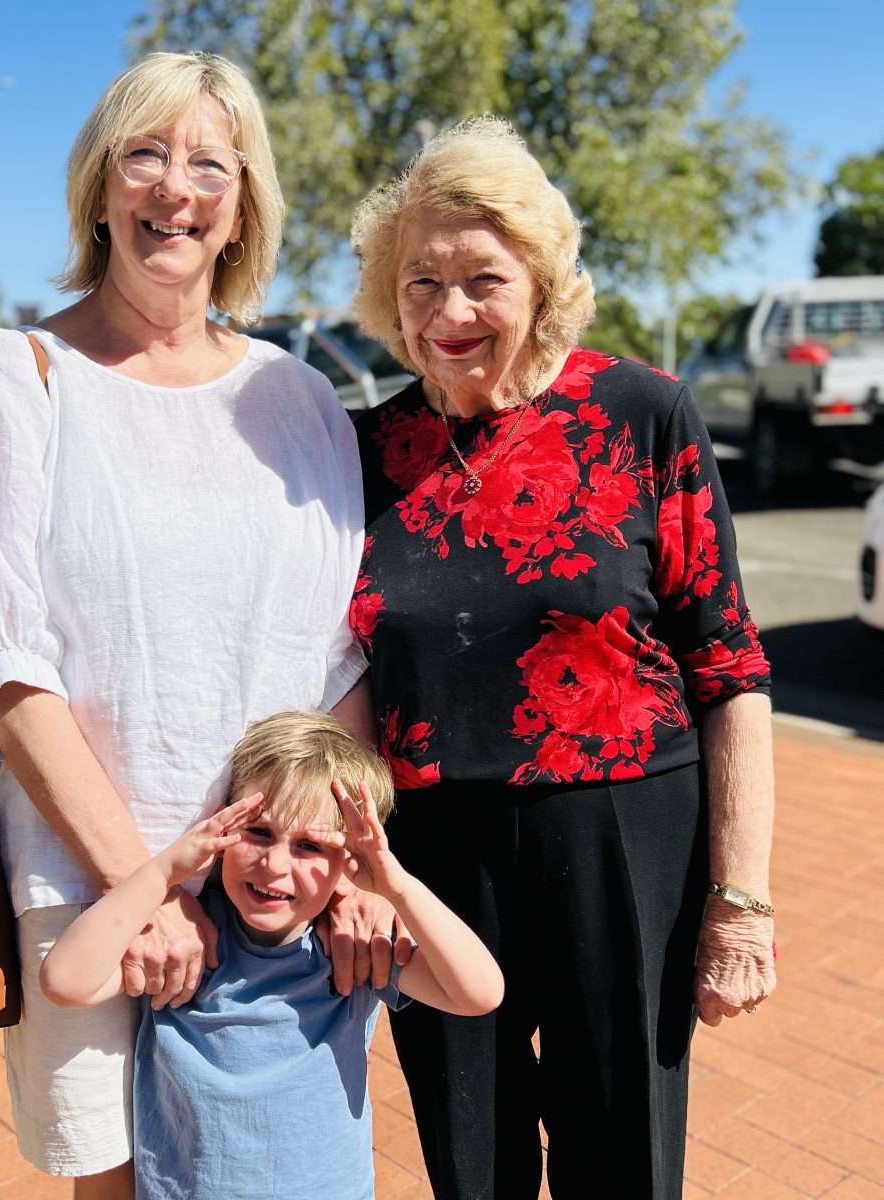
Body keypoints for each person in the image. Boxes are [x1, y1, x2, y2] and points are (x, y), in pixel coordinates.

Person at [0, 52, 395, 1200]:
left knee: (274, 1169)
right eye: (144, 154)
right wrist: (144, 888)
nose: (172, 186)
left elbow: (341, 662)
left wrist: (339, 869)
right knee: (119, 1183)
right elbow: (3, 668)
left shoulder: (297, 399)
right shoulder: (24, 376)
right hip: (92, 894)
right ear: (101, 187)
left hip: (277, 893)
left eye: (207, 162)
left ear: (242, 204)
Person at [348, 116, 777, 1199]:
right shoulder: (367, 450)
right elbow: (335, 672)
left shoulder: (641, 412)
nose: (449, 313)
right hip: (435, 856)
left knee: (621, 1156)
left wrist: (742, 901)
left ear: (540, 280)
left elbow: (731, 672)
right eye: (420, 281)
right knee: (469, 1162)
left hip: (627, 841)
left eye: (482, 278)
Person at [40, 710, 504, 1200]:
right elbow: (66, 981)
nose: (274, 864)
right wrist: (158, 875)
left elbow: (479, 993)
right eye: (258, 832)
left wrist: (397, 886)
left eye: (309, 846)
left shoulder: (348, 949)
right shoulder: (191, 940)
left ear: (350, 863)